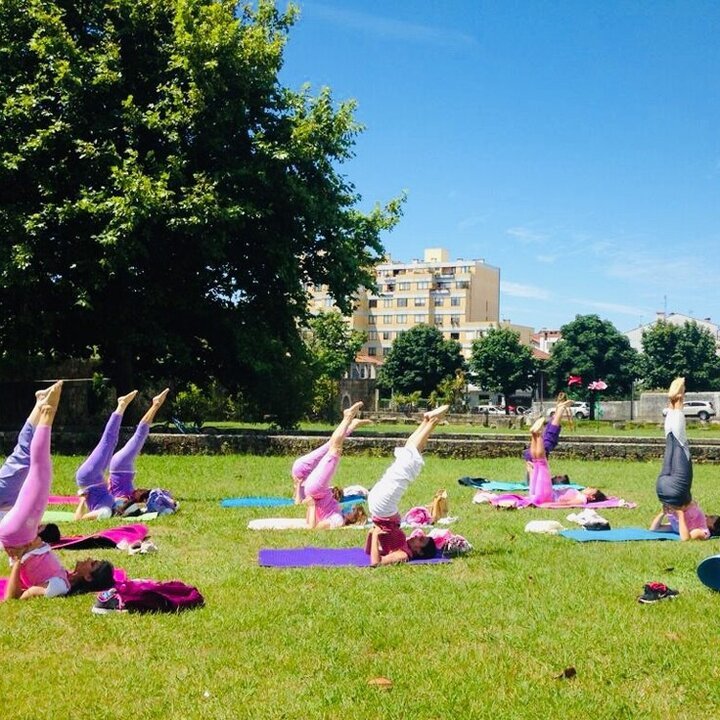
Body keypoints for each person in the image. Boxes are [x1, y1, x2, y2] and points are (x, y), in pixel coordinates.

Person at [1, 382, 115, 600]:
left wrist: (18, 561)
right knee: (31, 466)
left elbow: (15, 597)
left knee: (40, 473)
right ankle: (42, 408)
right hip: (22, 533)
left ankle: (48, 413)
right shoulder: (63, 577)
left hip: (19, 534)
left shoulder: (60, 587)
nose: (90, 557)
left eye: (93, 563)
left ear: (89, 578)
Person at [365, 405, 449, 566]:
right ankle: (427, 422)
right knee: (405, 458)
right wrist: (373, 533)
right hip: (380, 507)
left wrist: (375, 534)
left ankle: (432, 421)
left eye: (421, 540)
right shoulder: (402, 546)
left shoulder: (403, 555)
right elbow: (368, 551)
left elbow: (375, 562)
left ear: (419, 551)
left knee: (406, 466)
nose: (418, 535)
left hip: (383, 507)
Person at [74, 389, 169, 520]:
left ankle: (123, 405)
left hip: (88, 478)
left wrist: (82, 500)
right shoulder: (115, 501)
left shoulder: (106, 510)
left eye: (125, 504)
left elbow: (78, 519)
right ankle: (125, 405)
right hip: (97, 477)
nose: (125, 502)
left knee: (109, 441)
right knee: (112, 441)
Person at [294, 402, 370, 529]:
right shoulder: (337, 512)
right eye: (353, 508)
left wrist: (312, 505)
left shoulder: (338, 520)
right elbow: (310, 521)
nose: (351, 508)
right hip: (315, 490)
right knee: (334, 448)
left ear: (352, 520)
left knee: (334, 448)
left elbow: (314, 528)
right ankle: (349, 421)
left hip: (316, 489)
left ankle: (348, 418)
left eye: (354, 511)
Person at [651, 377, 704, 540]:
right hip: (663, 490)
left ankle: (678, 399)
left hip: (677, 492)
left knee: (679, 442)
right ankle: (673, 401)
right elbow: (654, 529)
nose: (710, 516)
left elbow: (685, 539)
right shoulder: (682, 521)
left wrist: (680, 514)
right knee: (672, 441)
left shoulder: (704, 530)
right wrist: (666, 512)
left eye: (713, 518)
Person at [0, 382, 60, 516]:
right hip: (9, 503)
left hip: (6, 500)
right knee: (25, 456)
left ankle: (40, 405)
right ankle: (39, 405)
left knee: (24, 457)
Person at [521, 396, 574, 480]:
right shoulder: (540, 474)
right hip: (532, 454)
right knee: (549, 430)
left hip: (538, 455)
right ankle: (535, 433)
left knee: (551, 431)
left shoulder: (540, 476)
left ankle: (560, 409)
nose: (558, 475)